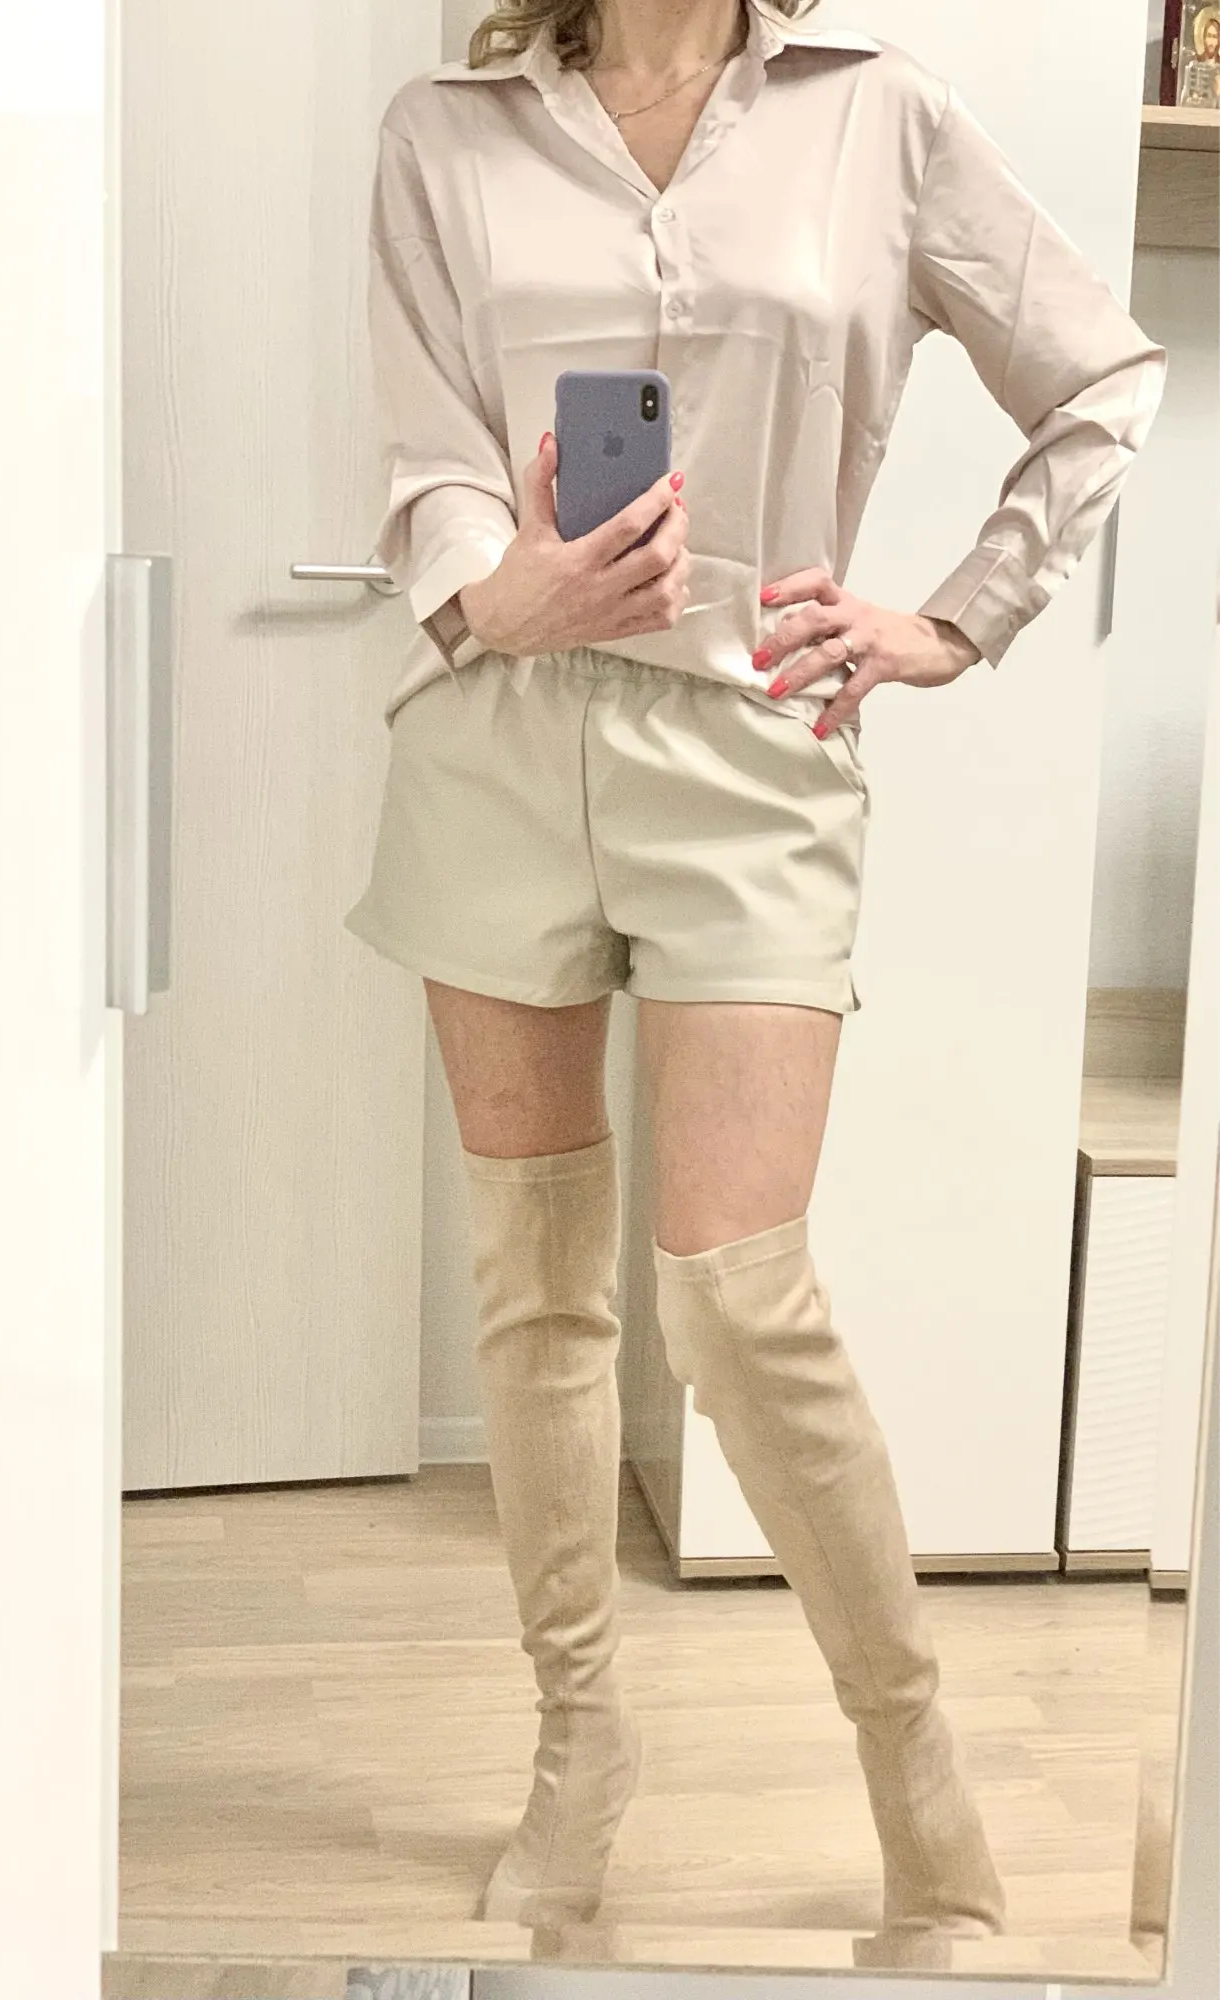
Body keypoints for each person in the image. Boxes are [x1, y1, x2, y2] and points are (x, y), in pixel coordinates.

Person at [344, 0, 1166, 1938]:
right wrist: (500, 584)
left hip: (748, 747)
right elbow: (424, 452)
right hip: (499, 737)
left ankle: (914, 1768)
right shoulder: (442, 132)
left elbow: (1102, 378)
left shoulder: (877, 118)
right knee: (537, 1286)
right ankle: (577, 1748)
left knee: (735, 1297)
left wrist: (953, 620)